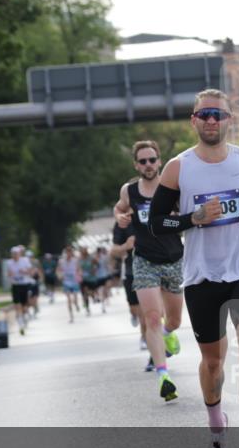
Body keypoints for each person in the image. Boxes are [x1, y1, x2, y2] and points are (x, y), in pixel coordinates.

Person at [149, 89, 239, 448]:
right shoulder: (178, 167)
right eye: (203, 115)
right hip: (202, 275)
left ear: (229, 120)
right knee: (212, 362)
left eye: (218, 115)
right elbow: (157, 222)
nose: (211, 121)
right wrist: (192, 218)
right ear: (193, 120)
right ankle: (217, 429)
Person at [114, 141, 186, 396]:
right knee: (152, 318)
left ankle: (168, 334)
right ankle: (163, 375)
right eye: (142, 161)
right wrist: (119, 217)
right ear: (136, 165)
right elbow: (120, 208)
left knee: (174, 320)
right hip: (144, 260)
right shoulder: (129, 190)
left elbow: (187, 215)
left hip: (173, 259)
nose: (148, 165)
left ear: (159, 161)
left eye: (152, 160)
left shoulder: (172, 187)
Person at [110, 218, 151, 366]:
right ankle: (133, 315)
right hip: (130, 271)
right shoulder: (123, 222)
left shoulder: (150, 211)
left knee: (146, 313)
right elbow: (113, 250)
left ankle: (145, 338)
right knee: (135, 309)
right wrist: (126, 246)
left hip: (152, 269)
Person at [7, 245, 36, 334]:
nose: (15, 255)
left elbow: (31, 272)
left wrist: (24, 272)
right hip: (15, 286)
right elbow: (8, 274)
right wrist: (10, 275)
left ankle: (24, 317)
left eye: (16, 254)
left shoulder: (25, 260)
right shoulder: (9, 263)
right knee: (17, 305)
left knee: (24, 305)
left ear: (19, 254)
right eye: (13, 254)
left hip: (24, 284)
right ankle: (20, 324)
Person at [57, 245, 82, 323]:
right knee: (68, 300)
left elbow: (79, 269)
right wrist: (59, 275)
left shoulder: (75, 260)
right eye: (67, 252)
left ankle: (76, 304)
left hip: (74, 281)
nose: (69, 253)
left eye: (70, 252)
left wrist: (80, 275)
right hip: (66, 282)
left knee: (74, 298)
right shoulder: (61, 261)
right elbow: (58, 270)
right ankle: (71, 316)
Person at [79, 247, 98, 316]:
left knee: (90, 292)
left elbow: (97, 264)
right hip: (83, 279)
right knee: (84, 294)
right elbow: (77, 268)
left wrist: (94, 269)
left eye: (84, 251)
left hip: (91, 279)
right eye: (82, 252)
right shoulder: (79, 259)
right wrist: (79, 272)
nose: (83, 253)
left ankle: (93, 296)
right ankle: (87, 308)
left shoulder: (91, 258)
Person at [25, 249, 41, 318]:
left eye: (30, 256)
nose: (29, 258)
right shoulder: (24, 263)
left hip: (35, 282)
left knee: (35, 297)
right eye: (28, 257)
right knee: (28, 298)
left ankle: (35, 308)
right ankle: (30, 310)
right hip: (27, 283)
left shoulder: (35, 262)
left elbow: (38, 272)